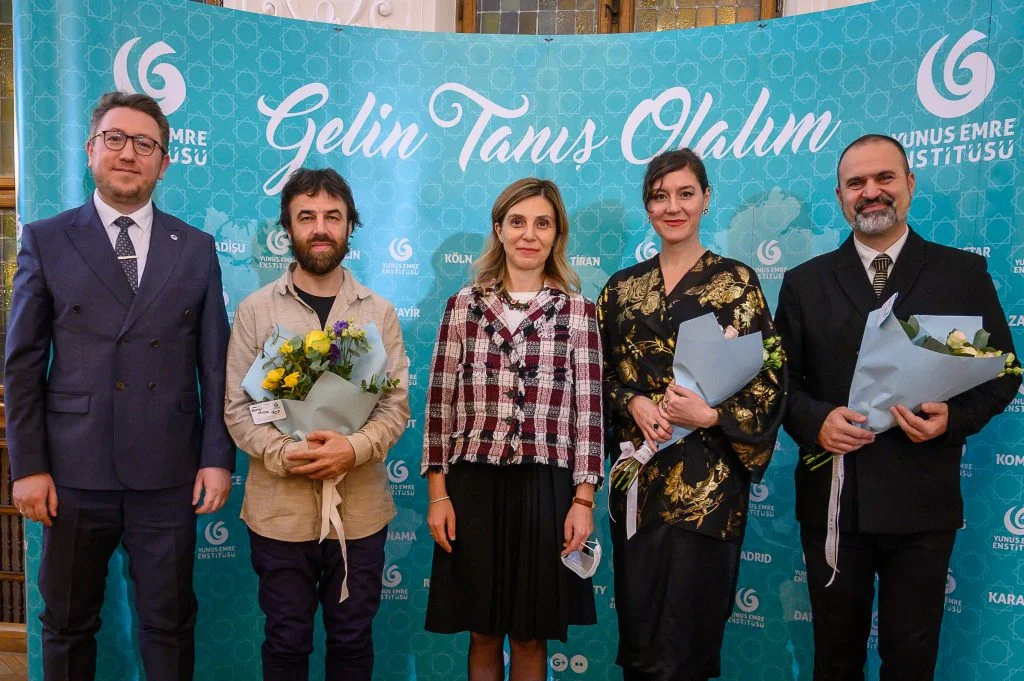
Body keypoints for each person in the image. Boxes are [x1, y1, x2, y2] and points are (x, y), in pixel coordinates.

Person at [4, 91, 234, 681]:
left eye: (145, 144)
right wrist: (28, 466)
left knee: (170, 624)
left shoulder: (196, 246)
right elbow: (22, 364)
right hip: (72, 471)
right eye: (115, 139)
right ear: (91, 150)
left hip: (169, 472)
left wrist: (216, 458)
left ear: (164, 162)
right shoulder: (47, 238)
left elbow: (216, 364)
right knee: (67, 623)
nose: (129, 153)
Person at [774, 134, 1020, 681]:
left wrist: (953, 419)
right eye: (856, 183)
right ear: (840, 196)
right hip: (835, 500)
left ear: (909, 183)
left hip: (922, 502)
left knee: (911, 660)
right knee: (835, 658)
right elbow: (778, 384)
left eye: (884, 178)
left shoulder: (960, 275)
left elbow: (1003, 370)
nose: (871, 192)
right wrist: (816, 421)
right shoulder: (805, 283)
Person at [598, 148, 785, 681]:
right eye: (660, 196)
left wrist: (711, 415)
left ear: (706, 199)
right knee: (641, 642)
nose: (673, 206)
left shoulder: (737, 282)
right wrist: (632, 401)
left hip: (710, 487)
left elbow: (771, 379)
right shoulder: (620, 289)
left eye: (685, 194)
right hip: (639, 482)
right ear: (647, 206)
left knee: (689, 647)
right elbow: (594, 375)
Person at [224, 168, 409, 681]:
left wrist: (354, 448)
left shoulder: (379, 313)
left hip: (361, 511)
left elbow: (395, 406)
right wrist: (287, 454)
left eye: (333, 216)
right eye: (307, 217)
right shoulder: (255, 311)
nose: (321, 228)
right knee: (286, 640)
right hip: (279, 511)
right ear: (288, 227)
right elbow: (238, 409)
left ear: (350, 225)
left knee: (352, 639)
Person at [421, 178, 603, 681]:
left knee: (529, 634)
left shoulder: (579, 312)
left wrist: (583, 501)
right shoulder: (463, 305)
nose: (529, 234)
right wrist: (438, 494)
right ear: (499, 230)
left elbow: (589, 414)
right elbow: (439, 404)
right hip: (473, 485)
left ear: (557, 234)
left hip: (546, 488)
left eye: (542, 223)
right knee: (482, 631)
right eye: (517, 222)